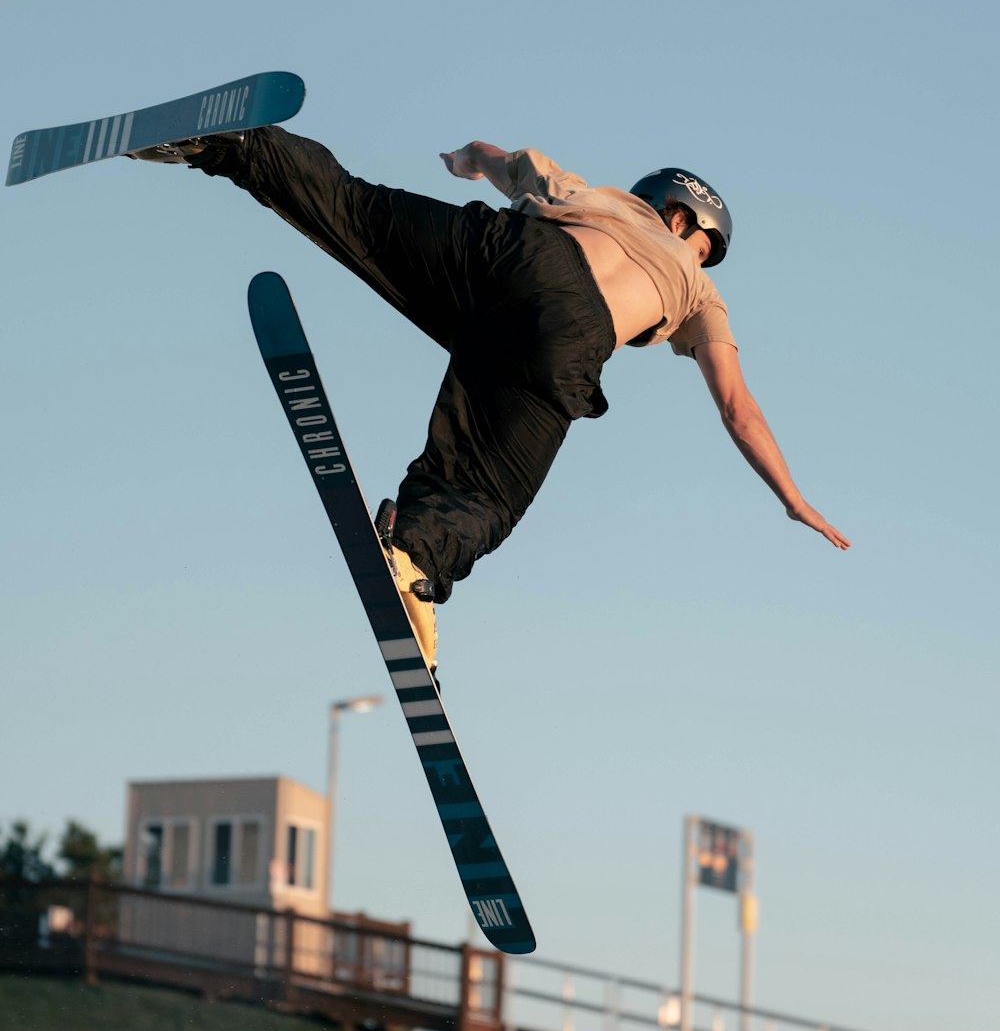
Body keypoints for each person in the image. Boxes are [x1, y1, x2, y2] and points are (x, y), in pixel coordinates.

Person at [135, 126, 850, 667]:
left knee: (354, 209)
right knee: (488, 490)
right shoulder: (700, 291)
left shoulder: (588, 193)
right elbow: (738, 408)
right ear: (685, 223)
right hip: (564, 342)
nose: (698, 256)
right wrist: (790, 496)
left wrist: (462, 161)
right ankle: (414, 560)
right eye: (702, 244)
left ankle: (230, 143)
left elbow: (487, 153)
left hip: (501, 257)